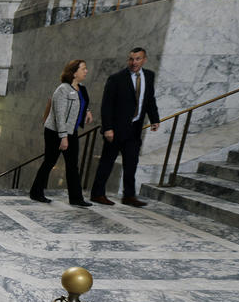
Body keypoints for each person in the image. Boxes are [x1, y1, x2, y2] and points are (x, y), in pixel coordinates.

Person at [90, 47, 160, 207]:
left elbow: (149, 100)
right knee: (107, 163)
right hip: (115, 130)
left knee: (131, 164)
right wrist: (107, 128)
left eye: (137, 59)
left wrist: (155, 119)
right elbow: (106, 105)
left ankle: (129, 196)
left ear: (144, 60)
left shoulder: (149, 76)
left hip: (134, 130)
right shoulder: (116, 78)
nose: (134, 62)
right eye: (131, 59)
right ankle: (97, 194)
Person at [29, 60, 94, 207]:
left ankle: (76, 199)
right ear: (74, 72)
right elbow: (59, 115)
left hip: (72, 131)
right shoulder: (62, 90)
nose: (86, 71)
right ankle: (36, 192)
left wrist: (87, 112)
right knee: (49, 162)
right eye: (83, 69)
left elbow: (83, 102)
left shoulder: (81, 88)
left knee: (72, 165)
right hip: (55, 132)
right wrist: (63, 137)